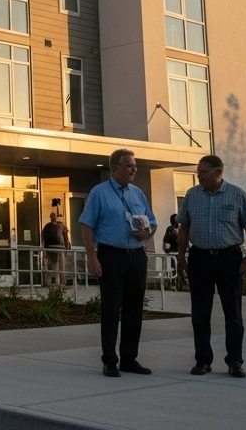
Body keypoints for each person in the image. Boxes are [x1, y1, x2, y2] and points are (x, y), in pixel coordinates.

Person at [176, 155, 246, 378]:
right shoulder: (192, 195)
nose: (199, 175)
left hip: (229, 259)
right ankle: (203, 360)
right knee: (200, 313)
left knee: (233, 314)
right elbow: (184, 226)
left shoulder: (237, 194)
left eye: (203, 171)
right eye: (198, 171)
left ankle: (235, 361)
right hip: (200, 258)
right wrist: (181, 255)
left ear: (218, 172)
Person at [80, 148, 156, 377]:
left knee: (134, 309)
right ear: (115, 168)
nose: (134, 169)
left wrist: (148, 233)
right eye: (129, 165)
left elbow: (152, 222)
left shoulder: (138, 193)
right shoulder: (99, 192)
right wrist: (92, 257)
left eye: (135, 165)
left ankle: (129, 359)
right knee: (112, 309)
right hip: (111, 256)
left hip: (136, 256)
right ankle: (110, 361)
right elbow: (86, 225)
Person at [42, 211, 71, 286]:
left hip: (61, 247)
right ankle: (57, 283)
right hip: (52, 248)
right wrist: (45, 251)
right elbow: (44, 239)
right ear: (50, 217)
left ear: (56, 217)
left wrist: (67, 245)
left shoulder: (61, 225)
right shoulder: (47, 227)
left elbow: (65, 236)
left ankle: (63, 283)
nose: (53, 217)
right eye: (52, 216)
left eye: (54, 216)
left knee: (62, 266)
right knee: (55, 266)